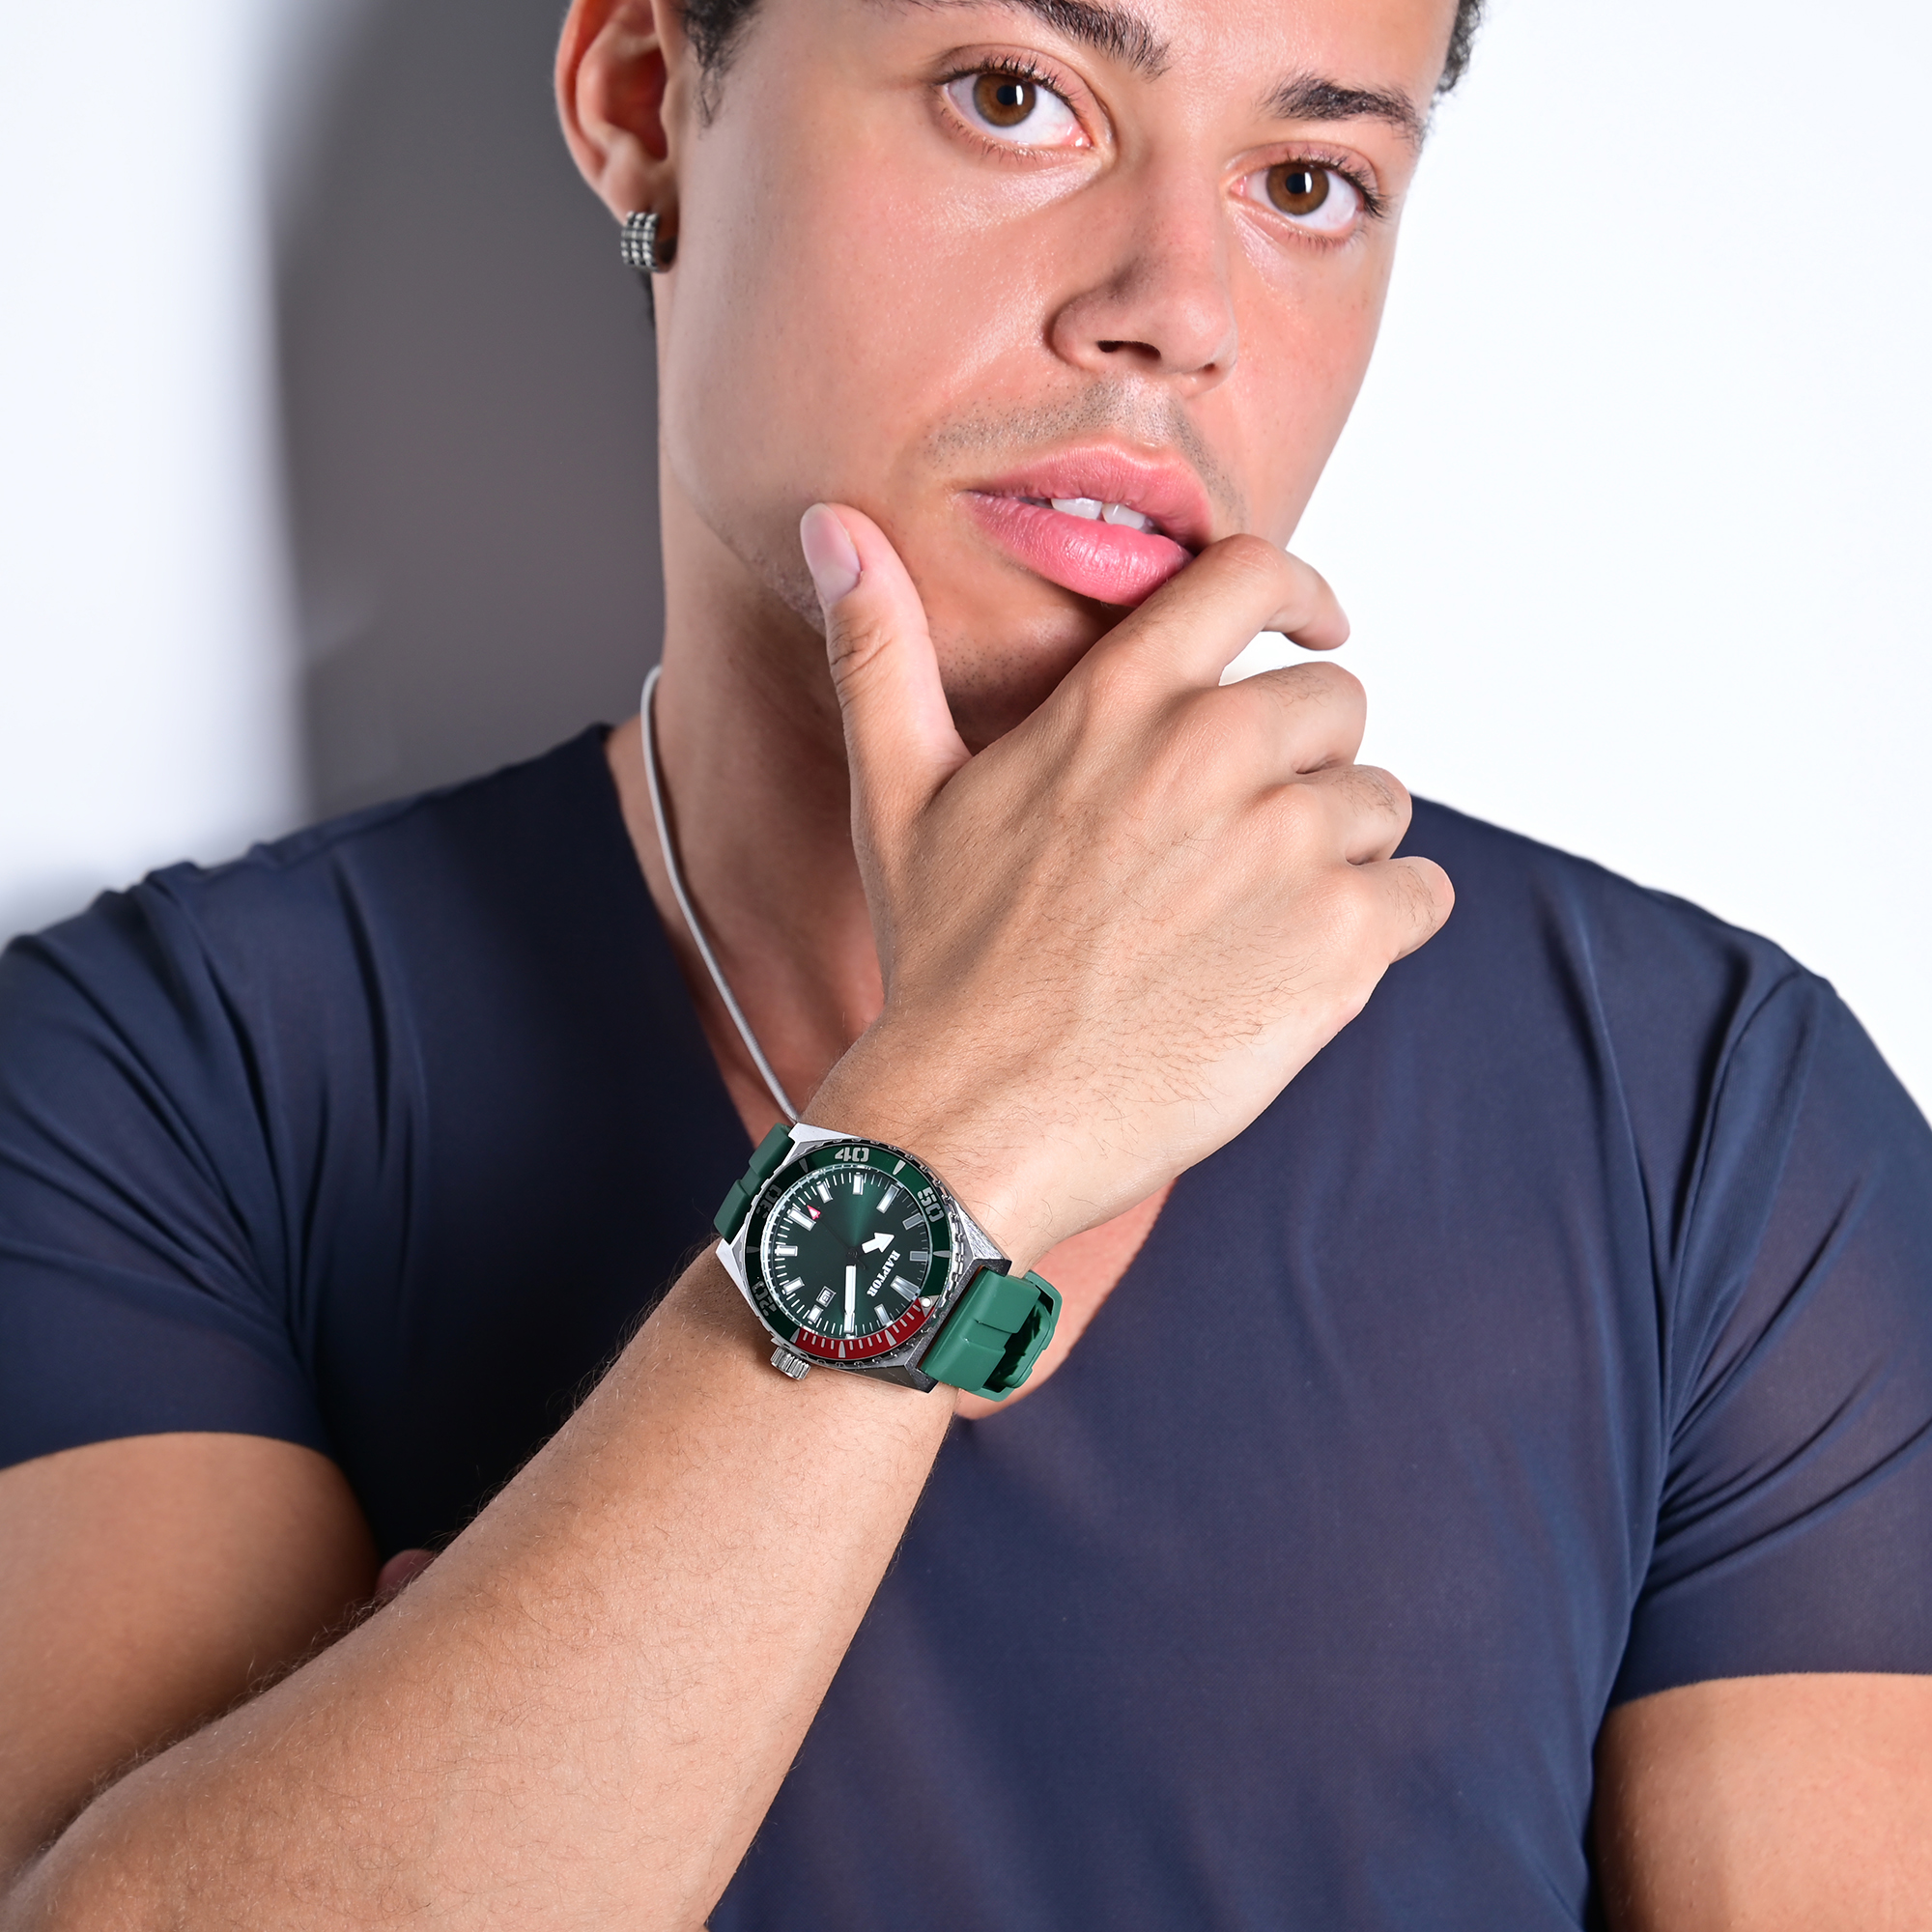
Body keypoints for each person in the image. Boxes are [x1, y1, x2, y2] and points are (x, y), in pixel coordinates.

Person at [1, 0, 1929, 1922]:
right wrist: (960, 1129)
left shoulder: (1706, 1132)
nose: (1176, 309)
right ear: (645, 99)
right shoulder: (164, 1085)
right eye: (1017, 99)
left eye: (1306, 182)